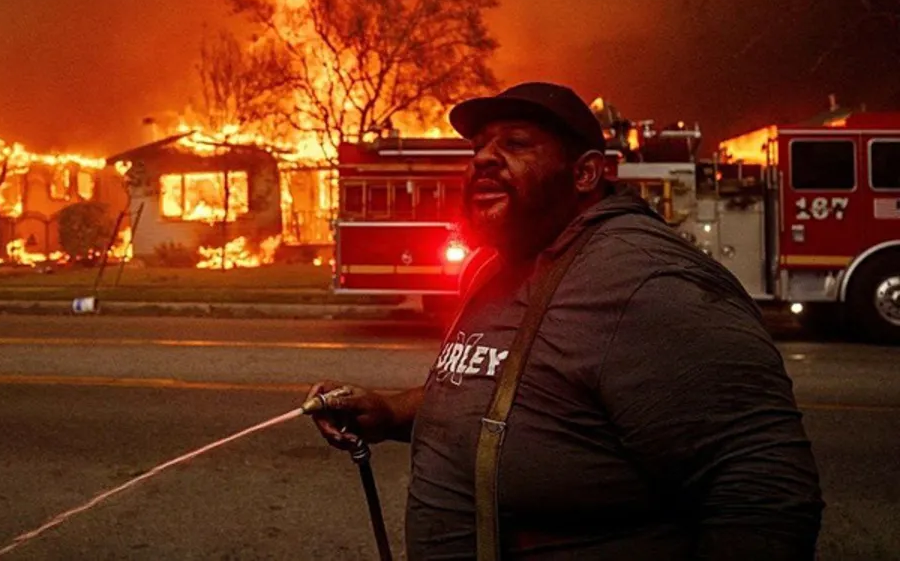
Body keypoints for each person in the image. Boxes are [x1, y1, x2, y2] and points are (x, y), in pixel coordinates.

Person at [307, 82, 823, 559]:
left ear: (585, 173)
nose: (484, 158)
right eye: (478, 147)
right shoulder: (499, 267)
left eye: (515, 143)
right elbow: (507, 390)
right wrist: (392, 411)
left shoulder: (646, 281)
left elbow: (765, 493)